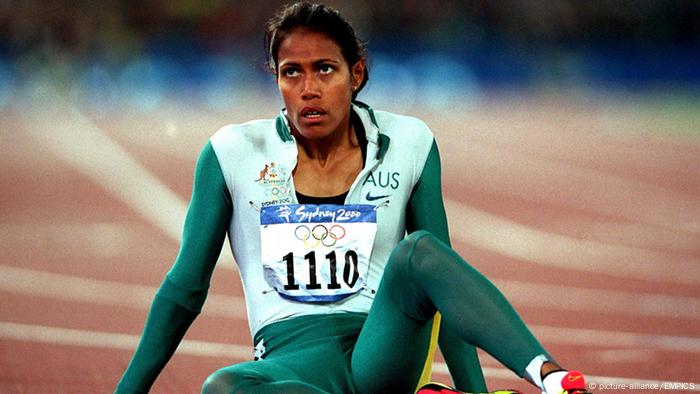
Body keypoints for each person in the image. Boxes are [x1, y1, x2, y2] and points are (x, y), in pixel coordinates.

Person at [116, 2, 589, 394]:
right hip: (293, 366)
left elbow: (441, 282)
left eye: (325, 69)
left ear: (356, 73)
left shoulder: (409, 142)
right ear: (276, 80)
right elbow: (184, 290)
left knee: (418, 251)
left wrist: (476, 392)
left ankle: (548, 375)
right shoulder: (231, 153)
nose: (308, 90)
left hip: (382, 350)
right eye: (291, 73)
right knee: (222, 388)